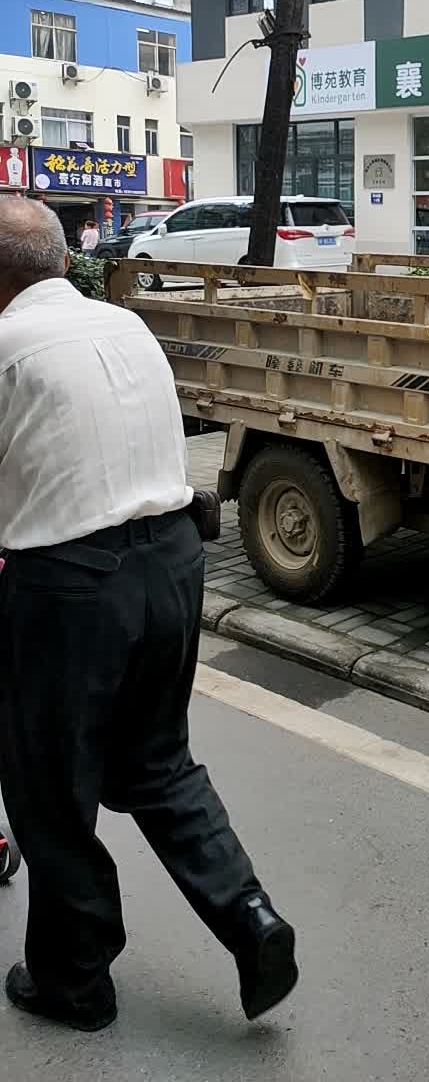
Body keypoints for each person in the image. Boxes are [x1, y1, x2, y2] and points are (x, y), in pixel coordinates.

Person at [0, 196, 297, 1033]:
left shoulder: (7, 347)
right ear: (63, 262)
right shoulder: (127, 328)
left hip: (71, 586)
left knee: (53, 790)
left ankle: (75, 983)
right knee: (160, 764)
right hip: (174, 563)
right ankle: (251, 918)